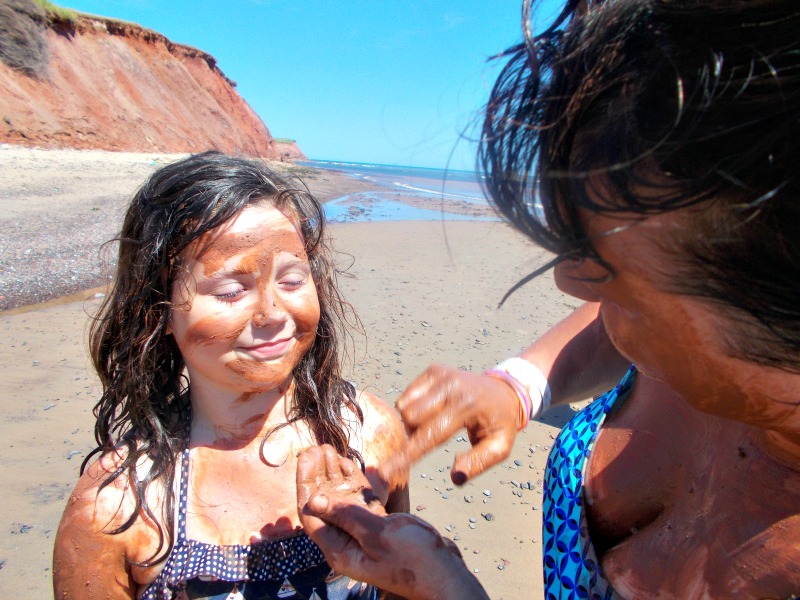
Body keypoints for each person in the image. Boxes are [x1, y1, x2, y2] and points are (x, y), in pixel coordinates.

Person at [295, 0, 800, 597]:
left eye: (606, 261)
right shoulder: (693, 344)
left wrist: (447, 589)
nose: (567, 280)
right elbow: (622, 320)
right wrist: (518, 385)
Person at [52, 151, 409, 599]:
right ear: (157, 310)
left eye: (293, 280)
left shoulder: (370, 434)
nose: (273, 313)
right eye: (229, 290)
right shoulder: (117, 505)